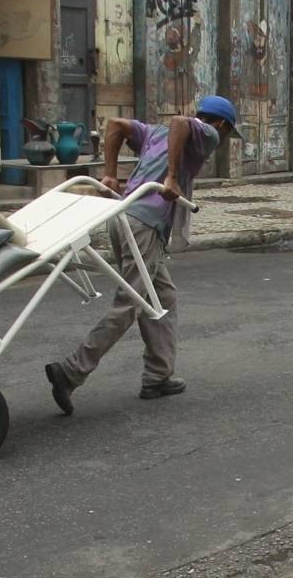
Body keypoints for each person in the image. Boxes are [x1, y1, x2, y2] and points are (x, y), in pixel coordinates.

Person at [43, 97, 240, 413]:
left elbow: (116, 126)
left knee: (162, 297)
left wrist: (109, 174)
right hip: (144, 223)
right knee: (131, 303)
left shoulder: (155, 133)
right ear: (222, 125)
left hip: (123, 219)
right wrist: (172, 176)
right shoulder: (208, 133)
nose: (223, 141)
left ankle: (158, 376)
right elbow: (180, 122)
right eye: (228, 134)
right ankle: (71, 371)